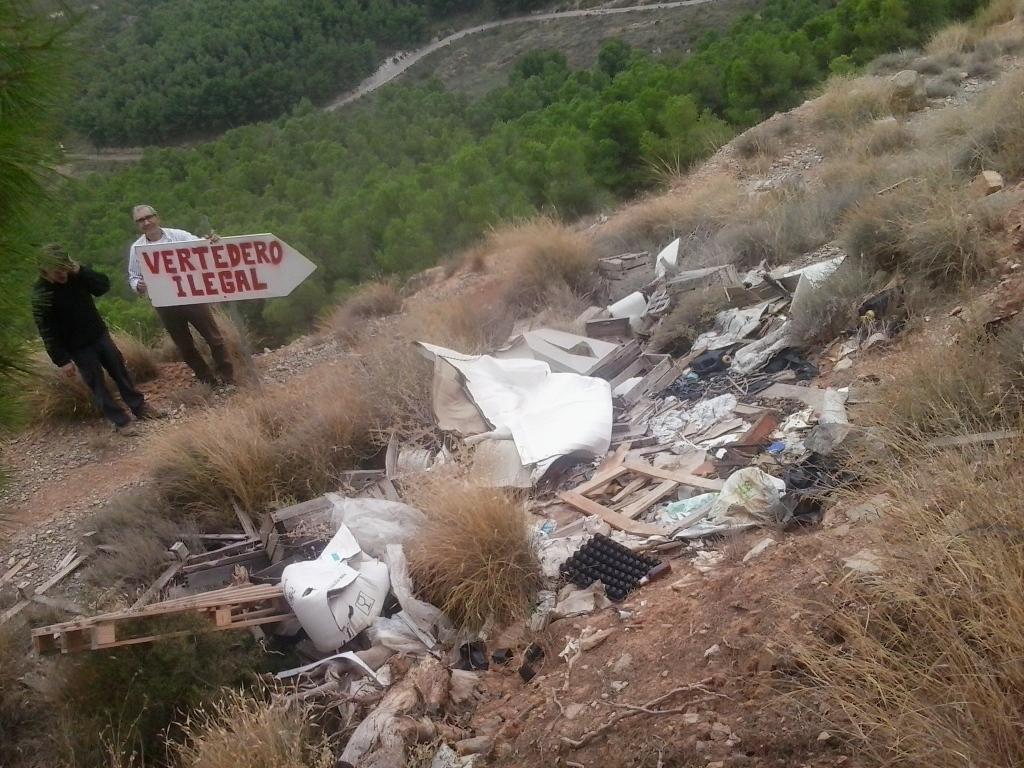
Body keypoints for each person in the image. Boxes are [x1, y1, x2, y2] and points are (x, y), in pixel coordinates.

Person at [32, 244, 160, 435]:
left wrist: (81, 271)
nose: (63, 274)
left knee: (120, 372)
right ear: (44, 271)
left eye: (65, 268)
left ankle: (140, 407)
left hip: (99, 334)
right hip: (77, 347)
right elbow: (47, 331)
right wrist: (62, 360)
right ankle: (120, 422)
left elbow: (103, 286)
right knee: (97, 384)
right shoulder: (41, 294)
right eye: (57, 271)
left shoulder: (77, 275)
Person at [127, 204, 235, 386]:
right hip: (165, 303)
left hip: (191, 296)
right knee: (185, 346)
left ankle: (227, 376)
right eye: (140, 220)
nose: (146, 222)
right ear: (137, 224)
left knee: (213, 337)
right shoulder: (137, 248)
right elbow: (133, 276)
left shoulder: (178, 235)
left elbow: (200, 247)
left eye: (149, 217)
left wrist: (212, 242)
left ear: (157, 217)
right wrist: (139, 285)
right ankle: (207, 380)